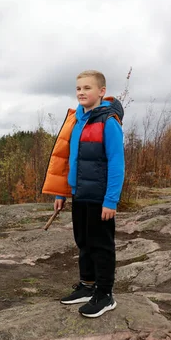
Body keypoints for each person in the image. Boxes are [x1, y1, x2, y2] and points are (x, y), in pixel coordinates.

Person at [41, 69, 125, 318]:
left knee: (101, 245)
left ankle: (105, 294)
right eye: (78, 88)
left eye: (87, 88)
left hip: (100, 197)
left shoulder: (108, 122)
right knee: (84, 242)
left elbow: (117, 164)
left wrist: (111, 200)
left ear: (101, 92)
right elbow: (71, 161)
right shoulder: (78, 121)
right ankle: (87, 286)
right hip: (80, 195)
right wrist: (62, 193)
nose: (81, 92)